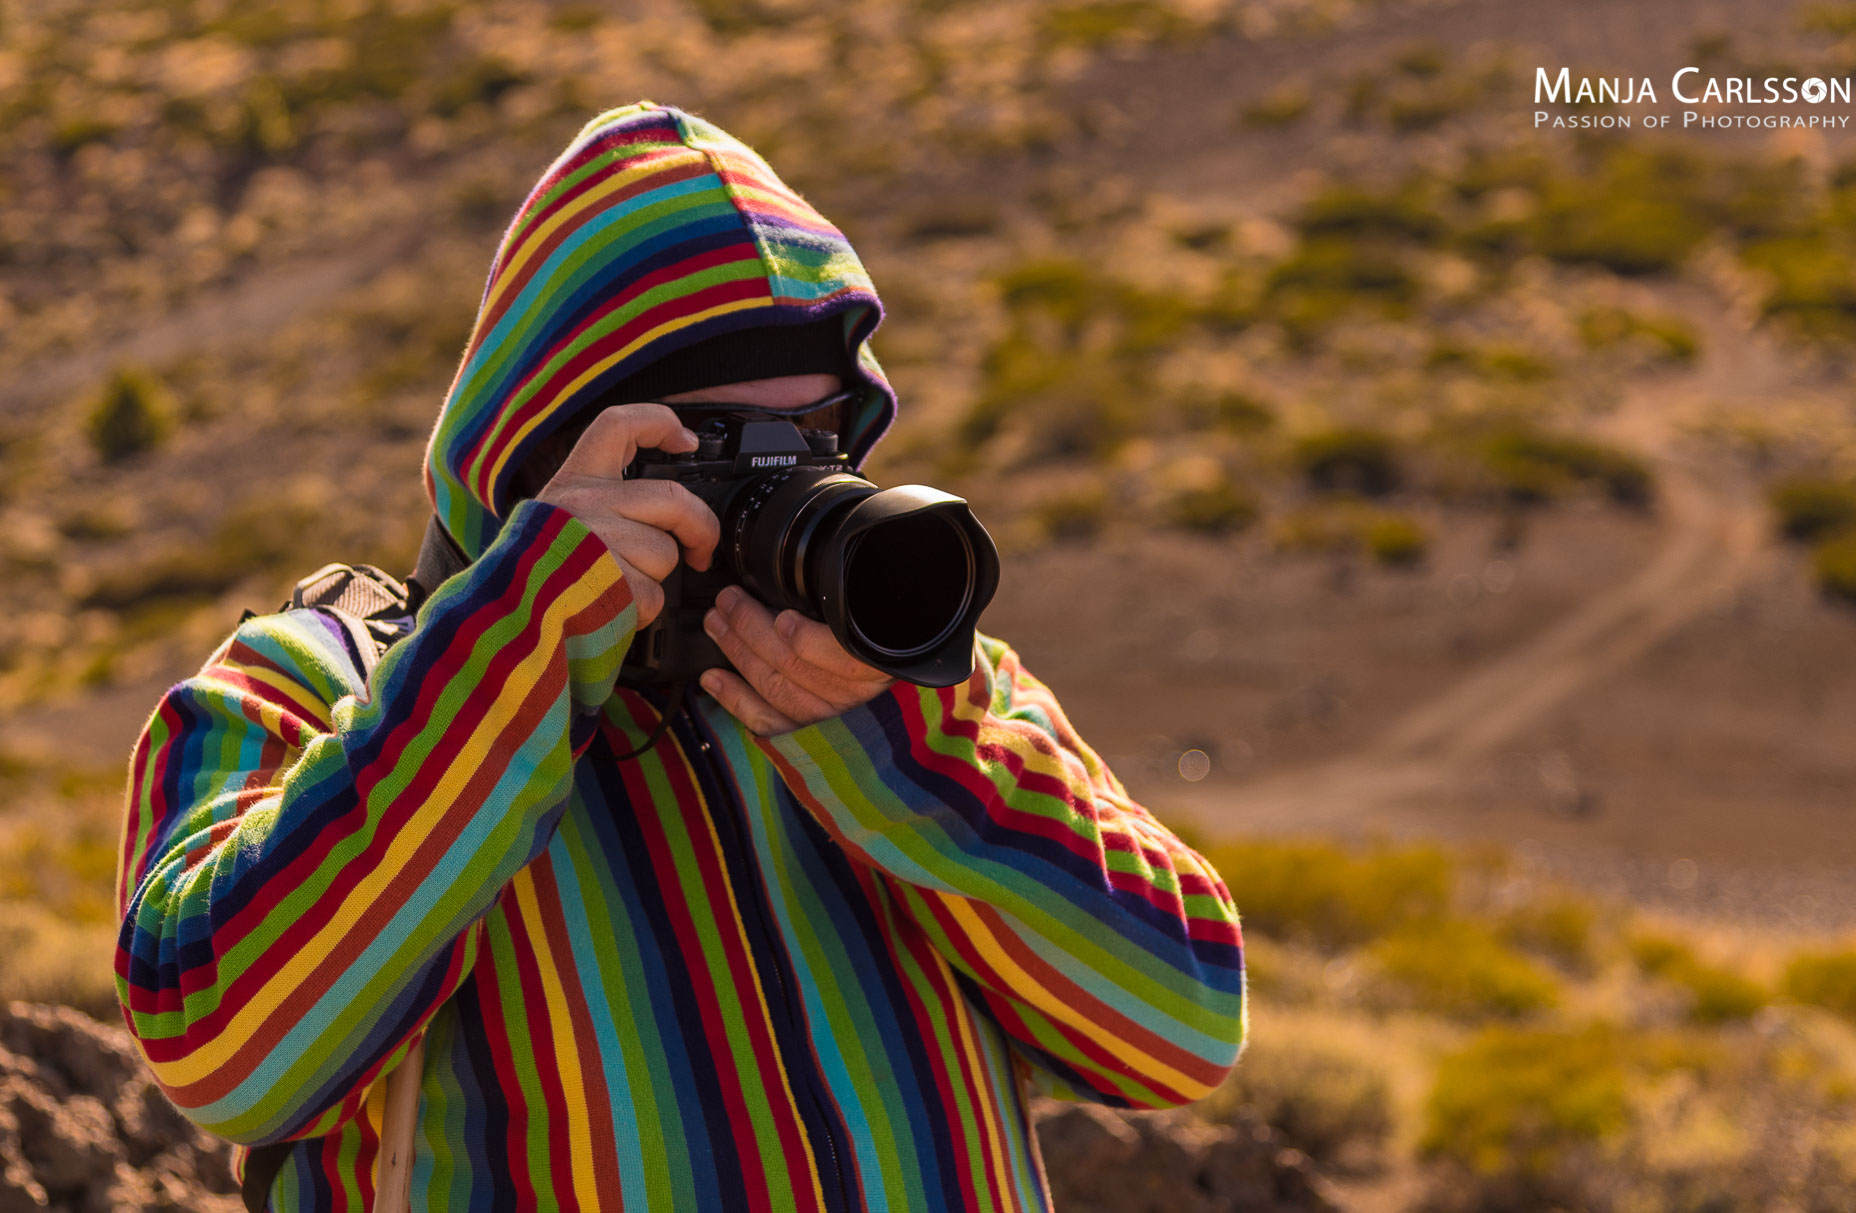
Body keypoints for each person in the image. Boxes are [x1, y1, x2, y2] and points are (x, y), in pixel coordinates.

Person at [114, 102, 1247, 1211]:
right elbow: (221, 1053)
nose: (772, 499)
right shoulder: (315, 683)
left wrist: (898, 757)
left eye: (810, 451)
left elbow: (1183, 1028)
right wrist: (514, 649)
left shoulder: (925, 690)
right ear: (548, 445)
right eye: (713, 453)